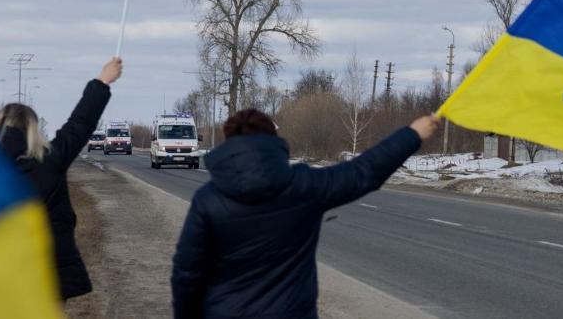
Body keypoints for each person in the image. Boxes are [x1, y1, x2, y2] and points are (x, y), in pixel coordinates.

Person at [171, 109, 439, 319]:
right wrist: (412, 134)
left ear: (229, 145)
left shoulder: (208, 200)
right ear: (272, 142)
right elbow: (364, 171)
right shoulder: (304, 186)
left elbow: (187, 276)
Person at [0, 57, 122, 300]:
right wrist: (103, 80)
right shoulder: (49, 162)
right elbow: (80, 123)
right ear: (32, 129)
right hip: (47, 277)